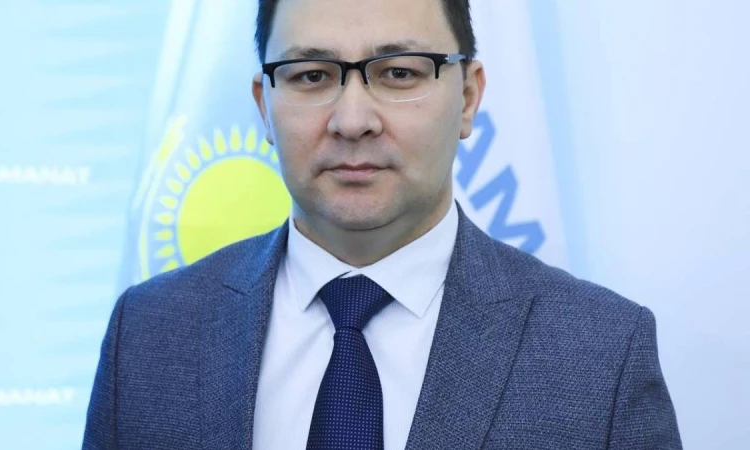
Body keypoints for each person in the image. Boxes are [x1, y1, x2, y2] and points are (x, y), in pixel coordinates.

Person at [83, 0, 682, 448]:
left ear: (468, 97)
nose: (352, 120)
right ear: (264, 106)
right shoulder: (150, 334)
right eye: (311, 75)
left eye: (398, 73)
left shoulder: (600, 354)